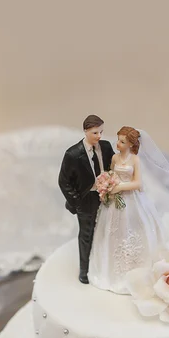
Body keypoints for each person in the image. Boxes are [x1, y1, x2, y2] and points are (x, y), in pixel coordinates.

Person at [88, 127, 166, 294]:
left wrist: (120, 186)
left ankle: (136, 270)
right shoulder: (115, 158)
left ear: (131, 144)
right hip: (115, 202)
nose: (118, 144)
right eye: (118, 140)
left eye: (122, 141)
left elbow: (138, 184)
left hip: (131, 200)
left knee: (133, 228)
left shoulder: (135, 160)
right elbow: (111, 174)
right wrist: (107, 184)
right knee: (113, 232)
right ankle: (111, 272)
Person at [58, 115, 115, 283]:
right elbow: (63, 182)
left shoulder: (105, 146)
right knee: (87, 235)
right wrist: (77, 202)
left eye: (101, 132)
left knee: (106, 231)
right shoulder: (73, 154)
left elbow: (113, 167)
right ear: (85, 131)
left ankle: (103, 267)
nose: (99, 136)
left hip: (107, 196)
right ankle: (84, 271)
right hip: (87, 199)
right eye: (95, 132)